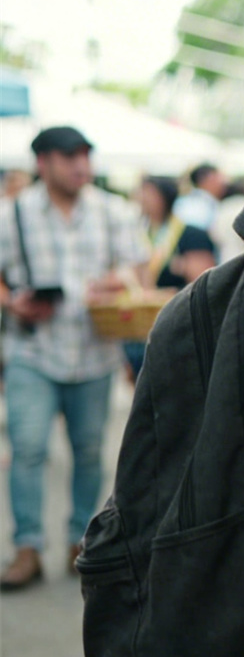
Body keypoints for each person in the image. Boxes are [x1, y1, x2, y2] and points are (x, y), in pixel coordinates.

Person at [0, 125, 147, 589]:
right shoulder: (12, 214)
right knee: (27, 449)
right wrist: (12, 302)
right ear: (43, 163)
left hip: (93, 353)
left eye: (86, 155)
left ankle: (81, 541)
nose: (81, 165)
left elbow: (138, 266)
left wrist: (118, 279)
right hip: (33, 349)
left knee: (88, 452)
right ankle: (27, 548)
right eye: (69, 157)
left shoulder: (111, 211)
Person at [126, 175, 218, 379]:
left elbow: (205, 279)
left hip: (177, 322)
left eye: (148, 193)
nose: (142, 198)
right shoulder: (136, 232)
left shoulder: (191, 234)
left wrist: (182, 267)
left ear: (165, 197)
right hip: (140, 326)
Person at [173, 162, 225, 230]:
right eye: (219, 178)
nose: (223, 183)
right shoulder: (196, 206)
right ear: (210, 179)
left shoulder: (204, 201)